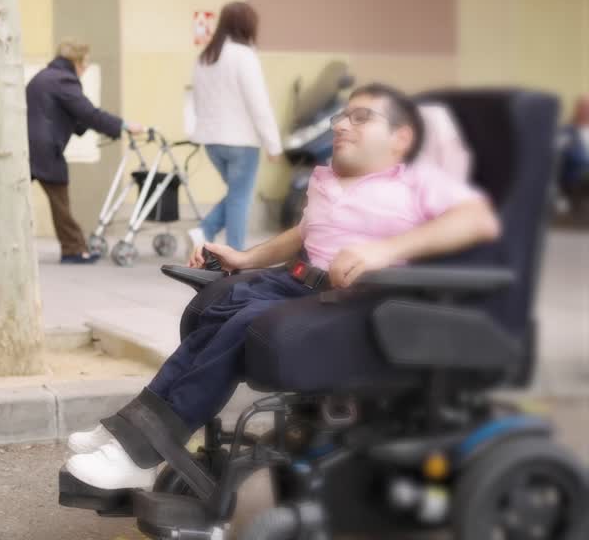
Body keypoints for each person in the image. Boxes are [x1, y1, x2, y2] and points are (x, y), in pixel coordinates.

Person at [64, 84, 501, 490]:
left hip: (360, 301)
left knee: (247, 323)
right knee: (221, 309)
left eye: (360, 117)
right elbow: (305, 232)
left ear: (401, 139)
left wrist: (384, 251)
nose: (341, 124)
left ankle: (141, 453)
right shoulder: (330, 178)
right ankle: (131, 430)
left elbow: (478, 219)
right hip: (295, 284)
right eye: (342, 117)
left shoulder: (416, 181)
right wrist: (246, 258)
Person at [27, 40, 143, 264]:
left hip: (27, 145)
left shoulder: (46, 76)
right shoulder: (63, 80)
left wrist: (93, 126)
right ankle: (73, 249)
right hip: (44, 148)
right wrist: (124, 126)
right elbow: (88, 113)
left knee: (13, 199)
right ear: (77, 61)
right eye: (86, 61)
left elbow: (73, 115)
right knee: (60, 199)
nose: (87, 67)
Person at [186, 2, 282, 254]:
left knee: (237, 194)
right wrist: (273, 144)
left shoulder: (205, 56)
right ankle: (234, 254)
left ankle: (204, 231)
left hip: (211, 141)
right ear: (248, 25)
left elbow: (197, 100)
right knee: (240, 198)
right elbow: (258, 104)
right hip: (241, 141)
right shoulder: (244, 56)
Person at [557, 95, 589, 216]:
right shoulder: (566, 132)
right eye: (584, 108)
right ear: (577, 110)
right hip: (574, 180)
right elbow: (557, 158)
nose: (586, 111)